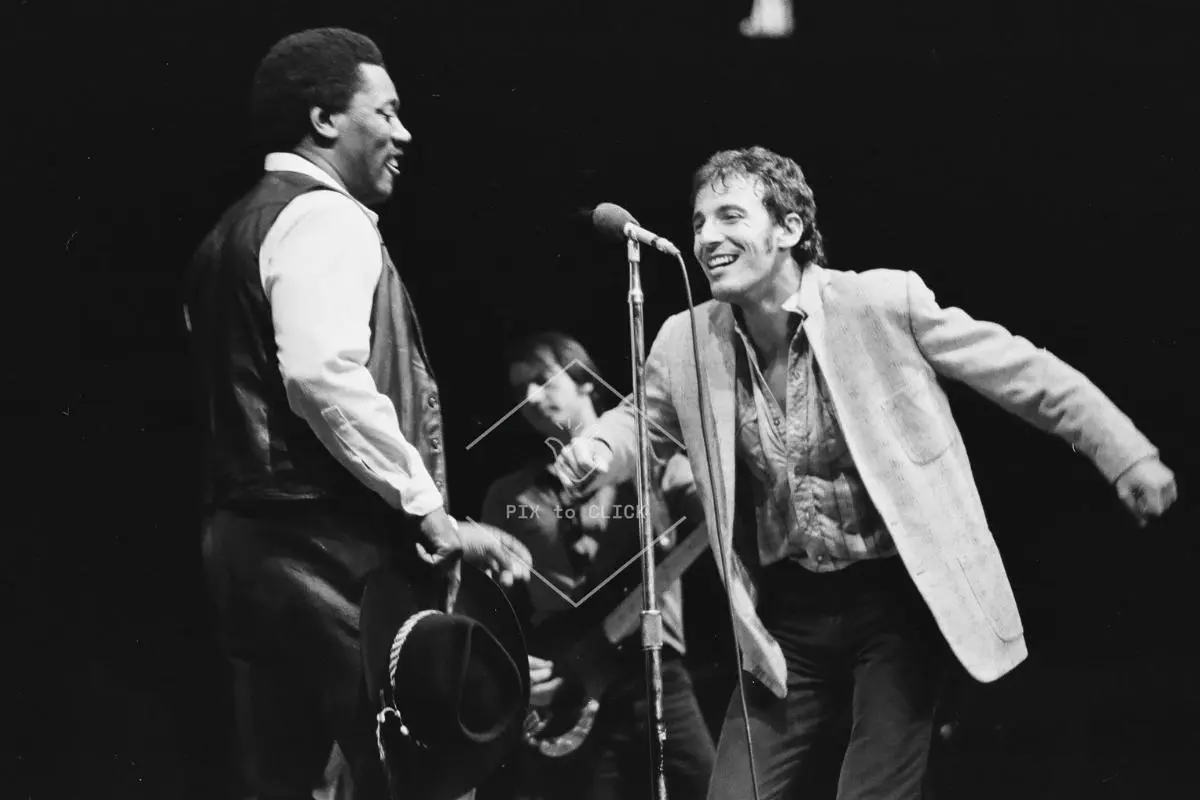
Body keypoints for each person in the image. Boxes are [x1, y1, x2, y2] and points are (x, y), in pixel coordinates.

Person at [550, 146, 1178, 799]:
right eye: (698, 221)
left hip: (896, 604)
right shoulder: (685, 340)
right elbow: (641, 424)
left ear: (789, 229)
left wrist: (1121, 450)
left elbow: (1023, 374)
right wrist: (595, 447)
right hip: (786, 616)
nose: (706, 237)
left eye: (729, 216)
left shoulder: (878, 301)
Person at [184, 27, 529, 800]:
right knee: (419, 772)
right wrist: (430, 511)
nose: (404, 133)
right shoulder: (323, 219)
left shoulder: (223, 237)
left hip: (247, 547)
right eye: (388, 112)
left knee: (292, 779)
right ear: (325, 121)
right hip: (325, 549)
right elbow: (322, 375)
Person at [479, 333, 716, 800]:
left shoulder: (654, 468)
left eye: (543, 381)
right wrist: (508, 660)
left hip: (653, 670)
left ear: (584, 381)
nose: (529, 398)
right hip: (568, 676)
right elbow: (489, 605)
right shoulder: (509, 496)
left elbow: (717, 508)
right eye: (520, 389)